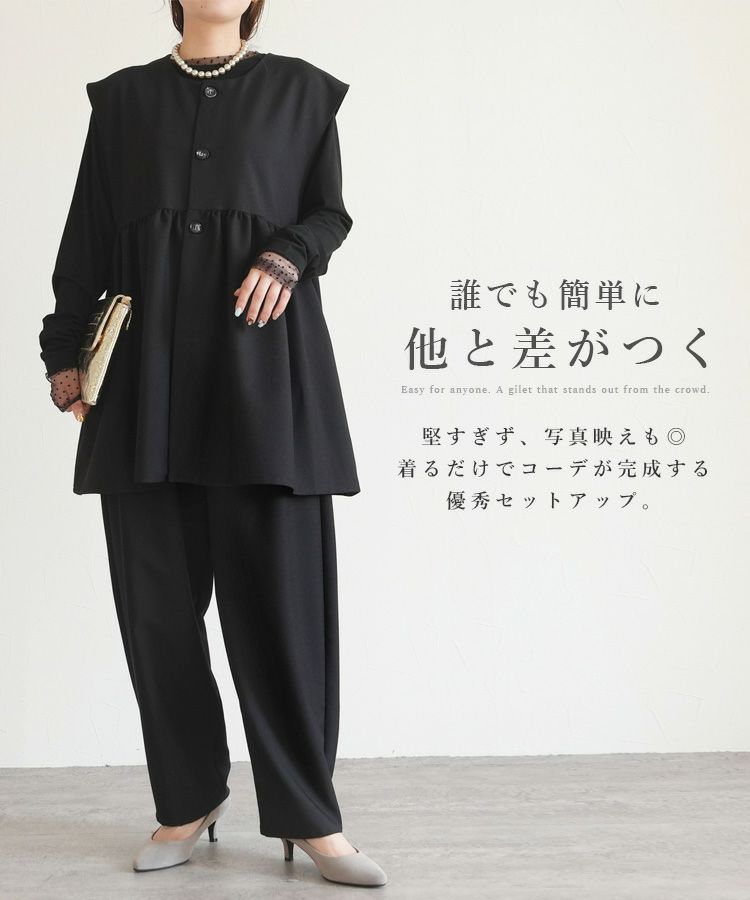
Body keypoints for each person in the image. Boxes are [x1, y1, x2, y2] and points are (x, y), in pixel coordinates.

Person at [37, 0, 387, 888]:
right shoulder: (122, 102)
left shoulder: (304, 95)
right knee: (157, 613)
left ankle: (310, 814)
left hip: (265, 382)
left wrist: (288, 255)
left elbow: (330, 213)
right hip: (144, 389)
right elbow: (87, 237)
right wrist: (64, 353)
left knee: (283, 611)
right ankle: (187, 800)